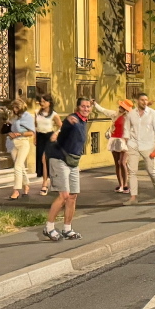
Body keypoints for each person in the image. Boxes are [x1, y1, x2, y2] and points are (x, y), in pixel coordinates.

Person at [42, 98, 92, 241]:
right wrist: (66, 123)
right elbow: (64, 131)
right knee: (64, 195)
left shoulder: (83, 121)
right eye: (83, 106)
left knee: (72, 196)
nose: (86, 109)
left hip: (73, 162)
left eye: (88, 106)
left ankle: (67, 229)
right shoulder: (72, 119)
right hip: (60, 160)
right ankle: (49, 228)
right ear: (78, 107)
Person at [123, 92, 155, 205]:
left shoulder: (153, 114)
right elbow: (126, 129)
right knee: (132, 172)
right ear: (137, 101)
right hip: (133, 145)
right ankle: (133, 197)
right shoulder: (131, 114)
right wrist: (126, 143)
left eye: (146, 100)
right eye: (142, 100)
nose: (145, 102)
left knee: (151, 170)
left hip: (148, 145)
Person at [93, 98, 133, 194]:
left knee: (122, 162)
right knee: (117, 163)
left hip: (125, 141)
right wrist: (95, 104)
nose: (120, 108)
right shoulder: (114, 114)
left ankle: (126, 184)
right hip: (115, 139)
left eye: (123, 107)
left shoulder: (129, 118)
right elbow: (103, 110)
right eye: (120, 106)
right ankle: (120, 185)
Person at [6, 98, 35, 199]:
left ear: (21, 107)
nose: (15, 109)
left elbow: (31, 133)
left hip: (23, 143)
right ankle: (26, 184)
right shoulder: (13, 116)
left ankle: (16, 190)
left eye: (16, 107)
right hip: (12, 143)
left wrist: (20, 133)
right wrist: (9, 133)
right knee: (20, 166)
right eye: (14, 107)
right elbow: (7, 129)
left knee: (17, 166)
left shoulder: (28, 117)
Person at [34, 94, 62, 196]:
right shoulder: (36, 112)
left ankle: (44, 184)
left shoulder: (54, 114)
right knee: (42, 160)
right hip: (40, 136)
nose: (42, 103)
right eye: (41, 101)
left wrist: (56, 133)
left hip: (49, 137)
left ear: (49, 103)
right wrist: (35, 137)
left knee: (44, 159)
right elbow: (35, 126)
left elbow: (61, 126)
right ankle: (51, 180)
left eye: (44, 101)